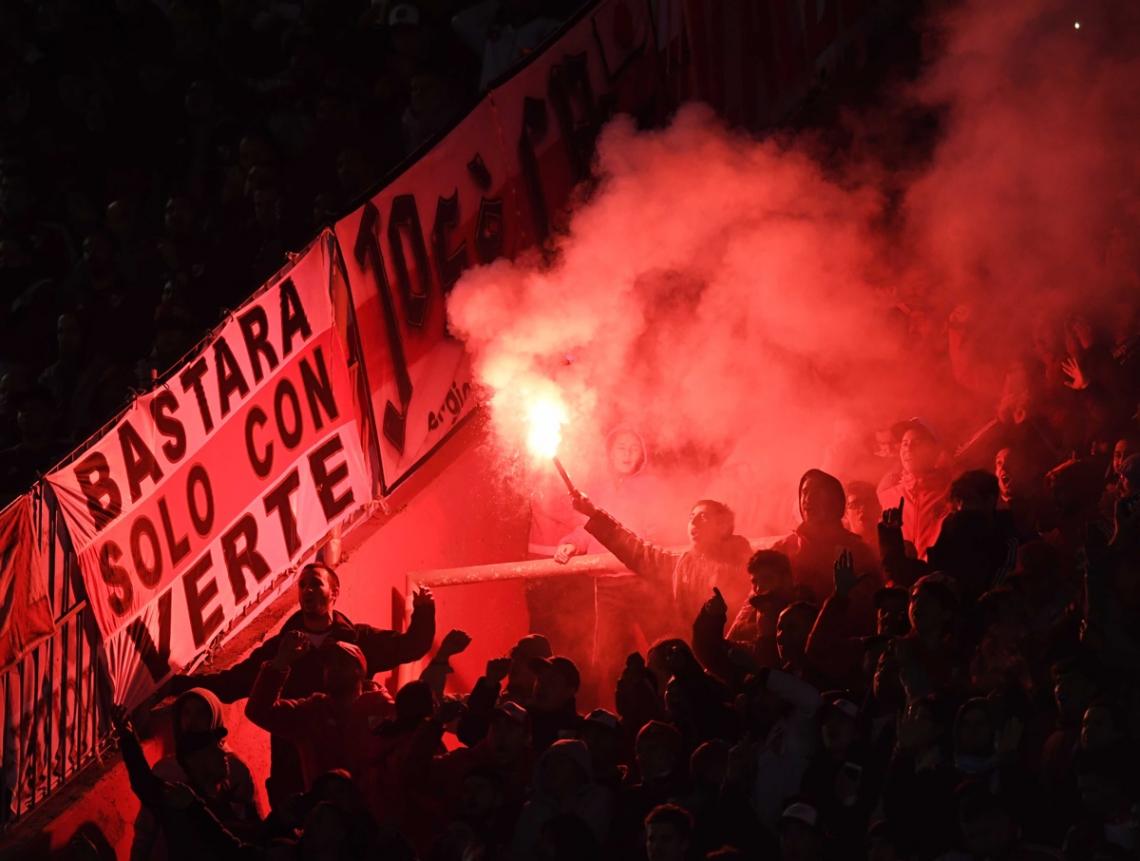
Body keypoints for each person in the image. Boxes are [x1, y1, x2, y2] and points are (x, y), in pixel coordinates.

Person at [170, 563, 435, 808]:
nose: (308, 590)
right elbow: (233, 684)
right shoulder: (281, 648)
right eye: (303, 585)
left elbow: (410, 646)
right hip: (292, 771)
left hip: (355, 779)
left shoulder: (358, 641)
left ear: (334, 592)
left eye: (316, 583)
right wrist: (178, 685)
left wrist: (424, 611)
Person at [570, 493, 752, 636]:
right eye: (691, 516)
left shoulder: (745, 564)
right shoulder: (683, 566)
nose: (693, 523)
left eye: (703, 517)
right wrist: (593, 514)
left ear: (722, 526)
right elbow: (639, 552)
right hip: (702, 657)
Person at [244, 635, 394, 793]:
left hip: (373, 814)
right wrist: (280, 662)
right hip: (326, 812)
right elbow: (259, 711)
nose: (332, 668)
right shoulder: (312, 712)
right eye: (328, 664)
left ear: (359, 670)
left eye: (341, 662)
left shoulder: (382, 709)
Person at [130, 689, 258, 861]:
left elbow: (251, 825)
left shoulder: (234, 767)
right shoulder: (166, 769)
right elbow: (147, 826)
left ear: (214, 716)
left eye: (201, 713)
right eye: (186, 713)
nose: (192, 721)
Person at [772, 469, 879, 609]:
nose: (808, 499)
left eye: (816, 493)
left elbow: (871, 605)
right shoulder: (784, 548)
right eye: (804, 492)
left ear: (835, 501)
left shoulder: (857, 551)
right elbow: (760, 601)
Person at [876, 419, 952, 557]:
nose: (908, 449)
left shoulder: (949, 495)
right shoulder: (886, 497)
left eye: (916, 443)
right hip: (899, 577)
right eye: (904, 444)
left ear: (934, 450)